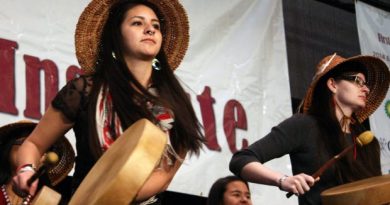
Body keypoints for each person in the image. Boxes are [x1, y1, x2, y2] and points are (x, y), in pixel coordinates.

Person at [13, 0, 204, 204]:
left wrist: (113, 192)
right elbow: (33, 144)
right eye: (137, 23)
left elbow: (165, 175)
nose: (150, 29)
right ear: (116, 36)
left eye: (156, 26)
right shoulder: (84, 90)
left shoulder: (175, 103)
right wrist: (26, 170)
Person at [229, 53, 390, 205]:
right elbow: (241, 160)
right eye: (357, 81)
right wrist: (283, 180)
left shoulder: (367, 140)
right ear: (333, 84)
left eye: (366, 84)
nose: (366, 89)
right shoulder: (304, 125)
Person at [0, 121, 74, 205]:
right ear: (8, 148)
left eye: (45, 149)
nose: (37, 154)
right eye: (25, 143)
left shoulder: (56, 198)